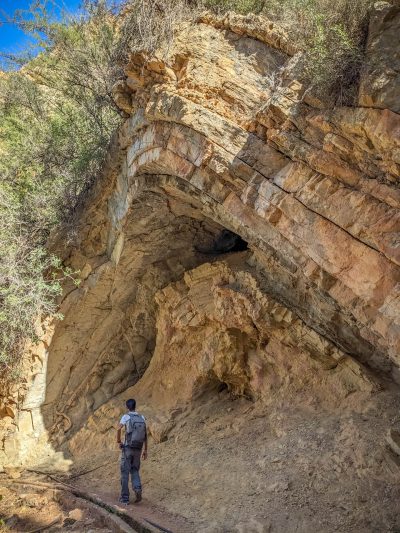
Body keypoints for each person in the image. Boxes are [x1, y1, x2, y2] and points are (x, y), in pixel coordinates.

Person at [117, 398, 148, 504]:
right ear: (135, 406)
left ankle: (125, 498)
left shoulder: (126, 417)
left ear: (127, 407)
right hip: (138, 449)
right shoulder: (142, 417)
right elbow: (145, 435)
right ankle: (137, 488)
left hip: (127, 449)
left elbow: (118, 428)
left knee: (125, 473)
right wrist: (145, 450)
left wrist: (118, 441)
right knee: (134, 470)